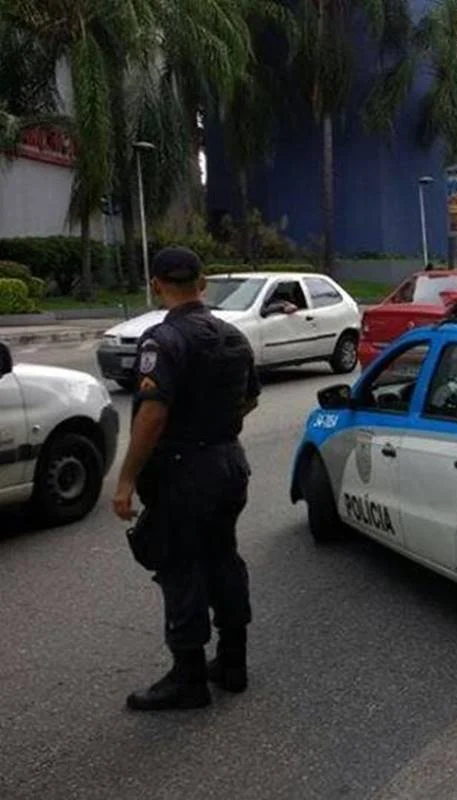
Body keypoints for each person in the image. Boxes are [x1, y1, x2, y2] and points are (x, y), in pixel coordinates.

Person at [113, 246, 260, 711]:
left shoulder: (163, 339)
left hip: (184, 473)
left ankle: (189, 678)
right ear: (203, 283)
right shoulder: (233, 335)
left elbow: (152, 416)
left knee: (181, 568)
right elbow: (250, 399)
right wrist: (216, 427)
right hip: (228, 464)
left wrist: (125, 479)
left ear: (157, 284)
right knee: (223, 556)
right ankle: (232, 663)